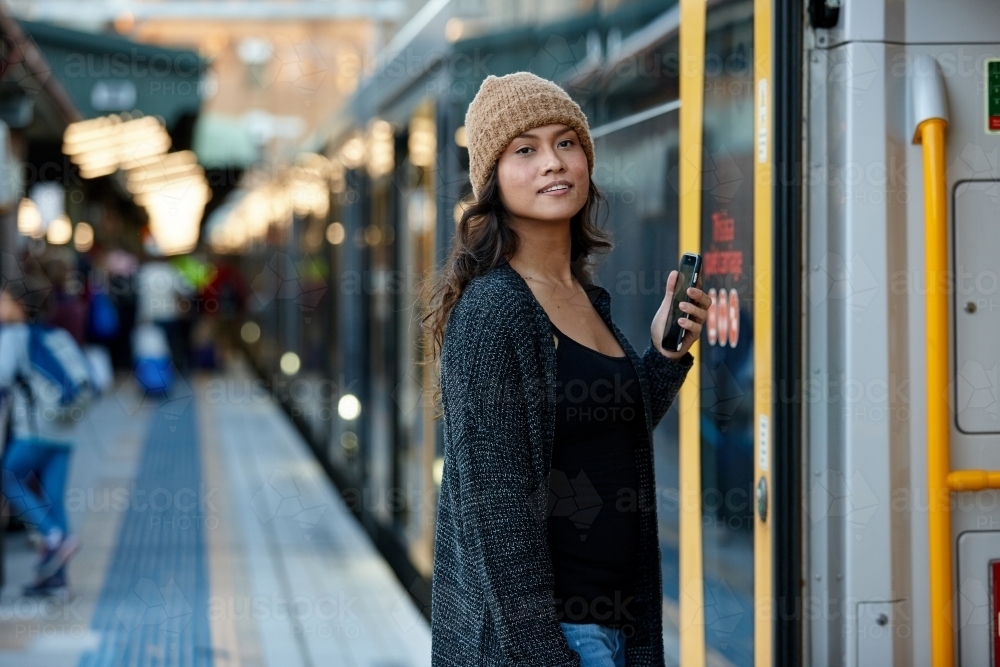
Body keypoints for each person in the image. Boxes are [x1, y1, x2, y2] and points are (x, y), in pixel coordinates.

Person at [423, 72, 711, 667]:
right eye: (524, 150)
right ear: (492, 180)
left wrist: (663, 356)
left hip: (616, 627)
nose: (552, 162)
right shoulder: (494, 310)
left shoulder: (583, 296)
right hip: (554, 641)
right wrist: (547, 657)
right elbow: (495, 519)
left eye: (566, 143)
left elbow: (604, 436)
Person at [0, 279, 83, 598]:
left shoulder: (12, 336)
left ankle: (52, 537)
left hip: (34, 429)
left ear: (20, 305)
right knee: (53, 500)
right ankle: (57, 580)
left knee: (8, 477)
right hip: (65, 430)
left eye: (5, 301)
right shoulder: (56, 334)